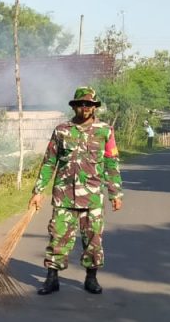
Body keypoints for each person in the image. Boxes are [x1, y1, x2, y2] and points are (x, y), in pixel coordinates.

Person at [31, 86, 123, 296]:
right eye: (81, 104)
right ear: (74, 107)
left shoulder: (105, 131)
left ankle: (91, 278)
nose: (85, 107)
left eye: (89, 104)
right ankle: (52, 278)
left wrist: (115, 193)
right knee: (57, 237)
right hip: (63, 196)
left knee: (93, 239)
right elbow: (49, 162)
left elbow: (111, 163)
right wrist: (38, 190)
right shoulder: (61, 130)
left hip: (92, 197)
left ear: (95, 107)